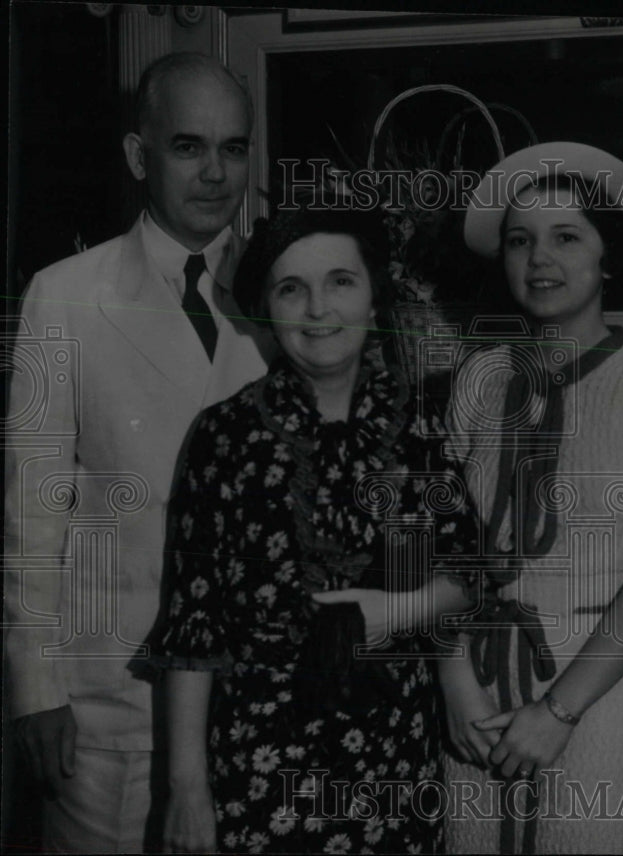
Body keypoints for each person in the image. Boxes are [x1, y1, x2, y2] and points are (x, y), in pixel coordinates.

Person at [151, 201, 485, 854]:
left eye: (340, 281)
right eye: (291, 288)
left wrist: (396, 611)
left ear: (371, 296)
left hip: (394, 754)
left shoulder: (419, 426)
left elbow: (468, 574)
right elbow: (195, 624)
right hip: (258, 761)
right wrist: (187, 788)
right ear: (265, 309)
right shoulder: (225, 436)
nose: (318, 309)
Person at [4, 52, 273, 852]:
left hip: (255, 706)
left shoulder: (290, 294)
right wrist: (34, 685)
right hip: (107, 703)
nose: (215, 173)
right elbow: (31, 512)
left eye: (233, 148)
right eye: (189, 147)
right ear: (138, 156)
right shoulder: (64, 294)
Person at [438, 142, 623, 853]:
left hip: (598, 694)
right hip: (476, 696)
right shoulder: (480, 378)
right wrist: (453, 679)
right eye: (521, 241)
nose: (539, 259)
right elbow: (431, 544)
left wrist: (558, 711)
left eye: (566, 237)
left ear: (607, 256)